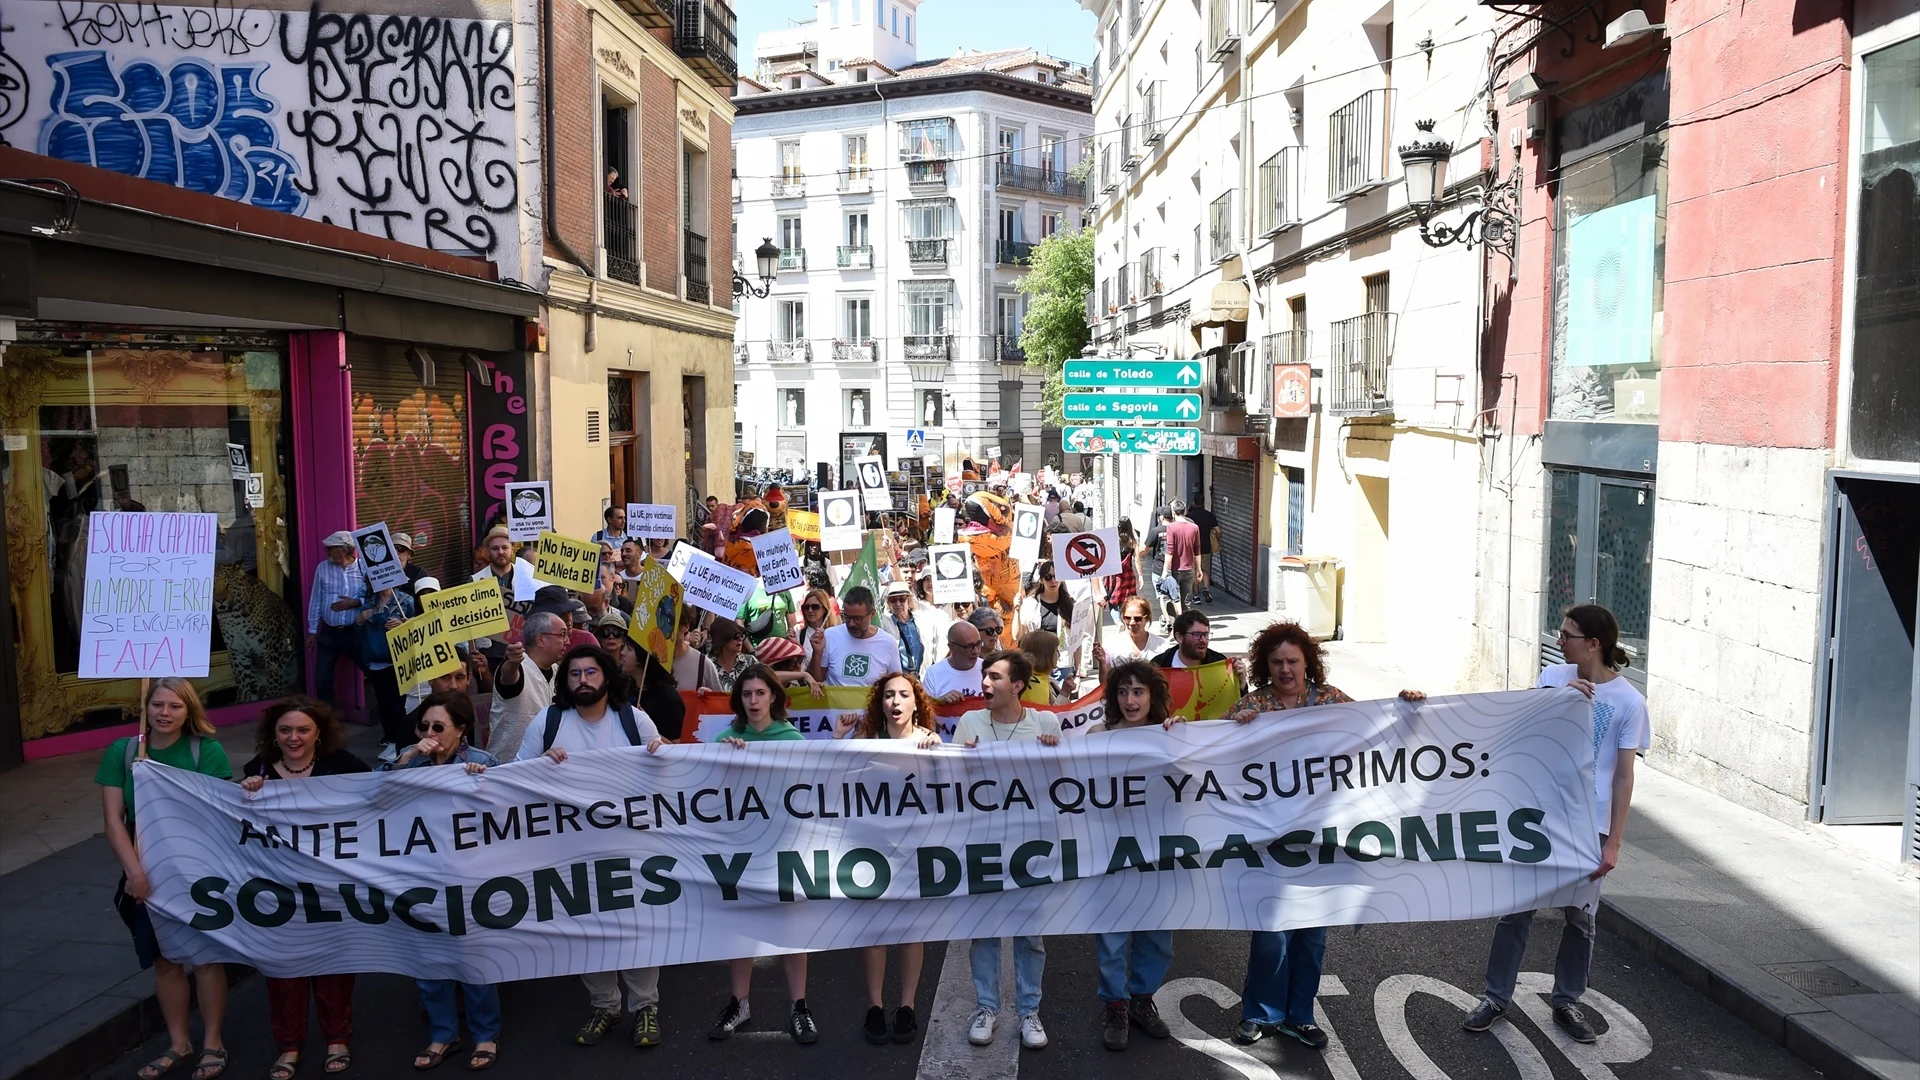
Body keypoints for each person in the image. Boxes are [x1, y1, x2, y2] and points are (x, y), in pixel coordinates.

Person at [1227, 621, 1421, 1048]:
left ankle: (1300, 1015)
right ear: (1265, 665)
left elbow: (1378, 730)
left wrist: (1405, 705)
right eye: (1276, 662)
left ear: (1307, 662)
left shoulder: (1332, 700)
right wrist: (1235, 726)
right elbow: (1218, 755)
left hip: (1323, 840)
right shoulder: (1254, 704)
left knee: (1312, 936)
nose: (1285, 669)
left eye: (1292, 661)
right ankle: (1259, 1013)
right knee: (1271, 933)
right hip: (1272, 841)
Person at [1464, 604, 1649, 1045]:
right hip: (1540, 815)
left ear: (1593, 644)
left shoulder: (1629, 702)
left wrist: (1615, 842)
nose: (1560, 640)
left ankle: (1567, 1001)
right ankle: (1495, 997)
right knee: (1517, 911)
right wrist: (1557, 702)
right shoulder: (1552, 679)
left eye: (1567, 635)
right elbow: (1519, 732)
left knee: (1580, 918)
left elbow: (1624, 775)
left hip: (1589, 825)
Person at [516, 645, 669, 1049]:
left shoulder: (634, 720)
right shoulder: (548, 723)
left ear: (606, 677)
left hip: (630, 847)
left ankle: (645, 1006)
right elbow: (512, 779)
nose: (583, 680)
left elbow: (668, 775)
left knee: (636, 927)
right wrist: (539, 765)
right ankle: (604, 1004)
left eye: (591, 672)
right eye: (574, 674)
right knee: (587, 929)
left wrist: (661, 753)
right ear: (565, 682)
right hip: (571, 850)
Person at [99, 679, 235, 1080]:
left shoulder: (204, 751)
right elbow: (113, 820)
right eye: (157, 704)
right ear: (145, 707)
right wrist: (134, 871)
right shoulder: (122, 753)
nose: (164, 712)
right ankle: (179, 1042)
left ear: (188, 711)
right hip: (146, 873)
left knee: (206, 959)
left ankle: (213, 1041)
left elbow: (216, 812)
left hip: (195, 870)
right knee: (164, 961)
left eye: (175, 706)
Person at [238, 698, 368, 1079]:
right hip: (279, 894)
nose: (293, 737)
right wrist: (245, 794)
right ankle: (289, 1046)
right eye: (285, 730)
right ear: (274, 736)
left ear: (318, 734)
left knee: (334, 970)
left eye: (303, 730)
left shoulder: (343, 766)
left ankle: (337, 1039)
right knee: (284, 973)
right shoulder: (256, 772)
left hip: (331, 890)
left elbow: (381, 797)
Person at [383, 692, 501, 1070]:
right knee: (429, 961)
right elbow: (375, 796)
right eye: (424, 726)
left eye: (438, 727)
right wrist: (407, 759)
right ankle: (442, 1034)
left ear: (461, 729)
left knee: (474, 959)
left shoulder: (481, 762)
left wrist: (485, 786)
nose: (429, 733)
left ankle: (485, 1035)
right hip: (419, 876)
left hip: (469, 877)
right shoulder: (408, 758)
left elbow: (507, 815)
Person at [953, 651, 1062, 1052]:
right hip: (982, 843)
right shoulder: (969, 722)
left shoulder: (1045, 723)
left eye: (994, 677)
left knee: (1029, 934)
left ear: (1017, 685)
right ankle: (986, 1008)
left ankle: (1029, 1012)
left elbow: (1064, 788)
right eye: (984, 675)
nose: (984, 683)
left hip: (1029, 845)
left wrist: (1054, 753)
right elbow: (951, 784)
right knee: (984, 932)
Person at [705, 664, 818, 1045]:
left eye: (760, 693)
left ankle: (799, 1005)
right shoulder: (724, 739)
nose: (753, 701)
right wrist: (721, 761)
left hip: (784, 848)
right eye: (747, 694)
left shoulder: (792, 740)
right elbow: (704, 792)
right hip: (740, 848)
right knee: (742, 928)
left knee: (791, 929)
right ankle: (739, 1003)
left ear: (774, 697)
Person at [828, 674, 942, 1044]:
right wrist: (836, 739)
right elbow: (829, 782)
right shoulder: (865, 743)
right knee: (874, 931)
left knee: (911, 930)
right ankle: (875, 1006)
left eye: (903, 695)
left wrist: (939, 752)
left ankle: (907, 1006)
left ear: (915, 702)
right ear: (880, 703)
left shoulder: (928, 743)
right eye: (889, 695)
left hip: (913, 849)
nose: (895, 701)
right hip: (870, 850)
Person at [1083, 661, 1177, 1049]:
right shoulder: (1098, 734)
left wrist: (1183, 737)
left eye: (1138, 692)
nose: (1130, 700)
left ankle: (1142, 1000)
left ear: (1152, 696)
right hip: (1111, 850)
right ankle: (1116, 1005)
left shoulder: (1170, 735)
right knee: (1113, 932)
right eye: (1122, 692)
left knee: (1156, 932)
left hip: (1158, 850)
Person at [488, 610, 568, 761]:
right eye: (562, 634)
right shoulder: (518, 667)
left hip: (544, 766)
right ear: (541, 639)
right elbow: (509, 678)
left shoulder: (558, 671)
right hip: (507, 768)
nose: (567, 641)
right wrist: (512, 662)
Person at [305, 530, 369, 709]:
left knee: (373, 671)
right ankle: (329, 715)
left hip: (355, 632)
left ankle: (382, 709)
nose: (327, 553)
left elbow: (376, 598)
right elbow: (316, 599)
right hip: (330, 632)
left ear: (343, 550)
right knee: (322, 679)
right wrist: (312, 630)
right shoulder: (322, 568)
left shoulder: (363, 568)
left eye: (330, 549)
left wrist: (356, 602)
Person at [362, 581, 415, 762]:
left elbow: (417, 627)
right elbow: (358, 626)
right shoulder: (370, 602)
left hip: (396, 661)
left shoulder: (406, 601)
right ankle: (390, 738)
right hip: (376, 661)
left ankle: (397, 741)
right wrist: (361, 618)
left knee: (396, 704)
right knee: (383, 703)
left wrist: (402, 623)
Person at [809, 586, 901, 687]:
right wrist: (817, 653)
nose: (851, 623)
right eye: (847, 617)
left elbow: (896, 684)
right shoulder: (830, 635)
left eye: (858, 618)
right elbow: (816, 681)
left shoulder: (888, 643)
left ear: (872, 614)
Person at [472, 525, 537, 667]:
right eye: (495, 548)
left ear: (513, 548)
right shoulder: (475, 581)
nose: (500, 552)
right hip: (490, 654)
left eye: (504, 547)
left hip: (524, 650)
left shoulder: (529, 575)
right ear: (488, 551)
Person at [1016, 563, 1083, 696]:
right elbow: (1018, 636)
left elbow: (1077, 641)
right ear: (1041, 579)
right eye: (1048, 577)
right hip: (1036, 667)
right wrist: (1017, 611)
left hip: (1062, 666)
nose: (1053, 581)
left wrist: (1079, 672)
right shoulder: (1030, 604)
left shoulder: (1071, 605)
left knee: (1061, 706)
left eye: (1056, 577)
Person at [1094, 597, 1167, 671]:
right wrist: (1102, 662)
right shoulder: (1111, 644)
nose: (1132, 623)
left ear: (1147, 618)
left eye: (1137, 619)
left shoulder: (1162, 645)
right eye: (1127, 618)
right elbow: (1104, 681)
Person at [921, 619, 984, 702]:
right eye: (969, 646)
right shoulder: (934, 674)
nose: (976, 651)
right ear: (952, 648)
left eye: (978, 644)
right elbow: (925, 709)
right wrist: (941, 702)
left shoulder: (988, 668)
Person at [1152, 609, 1229, 669]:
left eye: (1205, 634)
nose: (1203, 640)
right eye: (1197, 634)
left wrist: (1241, 684)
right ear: (1179, 637)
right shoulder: (1158, 667)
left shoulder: (1219, 663)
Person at [1164, 501, 1201, 615]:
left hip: (1174, 569)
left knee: (1171, 598)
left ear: (1173, 512)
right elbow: (1197, 550)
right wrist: (1199, 569)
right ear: (1184, 512)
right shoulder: (1194, 527)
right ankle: (1185, 627)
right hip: (1189, 568)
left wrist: (1165, 570)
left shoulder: (1171, 527)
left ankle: (1173, 626)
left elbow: (1170, 550)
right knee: (1186, 601)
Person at [883, 581, 926, 676]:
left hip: (922, 676)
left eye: (902, 599)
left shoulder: (922, 621)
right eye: (893, 600)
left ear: (909, 600)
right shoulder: (885, 624)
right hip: (900, 677)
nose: (898, 603)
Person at [673, 619, 724, 691]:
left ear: (686, 627)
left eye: (672, 620)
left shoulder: (704, 664)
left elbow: (718, 699)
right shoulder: (652, 660)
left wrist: (707, 697)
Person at [1104, 518, 1141, 617]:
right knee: (1128, 600)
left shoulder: (1113, 539)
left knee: (1113, 601)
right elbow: (1137, 560)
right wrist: (1140, 576)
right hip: (1128, 574)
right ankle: (1125, 619)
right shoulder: (1133, 541)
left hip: (1115, 575)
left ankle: (1117, 621)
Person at [1187, 497, 1221, 604]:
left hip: (1192, 549)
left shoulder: (1188, 517)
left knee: (1194, 571)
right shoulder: (1210, 515)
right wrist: (1217, 539)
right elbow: (1218, 531)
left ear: (1193, 503)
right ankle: (1206, 588)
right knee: (1205, 570)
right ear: (1203, 503)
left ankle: (1196, 596)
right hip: (1206, 547)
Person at [796, 587, 839, 669]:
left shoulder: (836, 634)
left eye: (815, 607)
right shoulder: (799, 636)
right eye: (806, 607)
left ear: (825, 609)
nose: (810, 610)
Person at [707, 617, 753, 690]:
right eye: (736, 636)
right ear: (722, 640)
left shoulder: (750, 661)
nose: (740, 639)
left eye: (742, 635)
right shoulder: (707, 664)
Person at [392, 531, 427, 597]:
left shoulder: (418, 574)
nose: (396, 553)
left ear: (409, 555)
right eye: (393, 549)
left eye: (401, 549)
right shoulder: (380, 574)